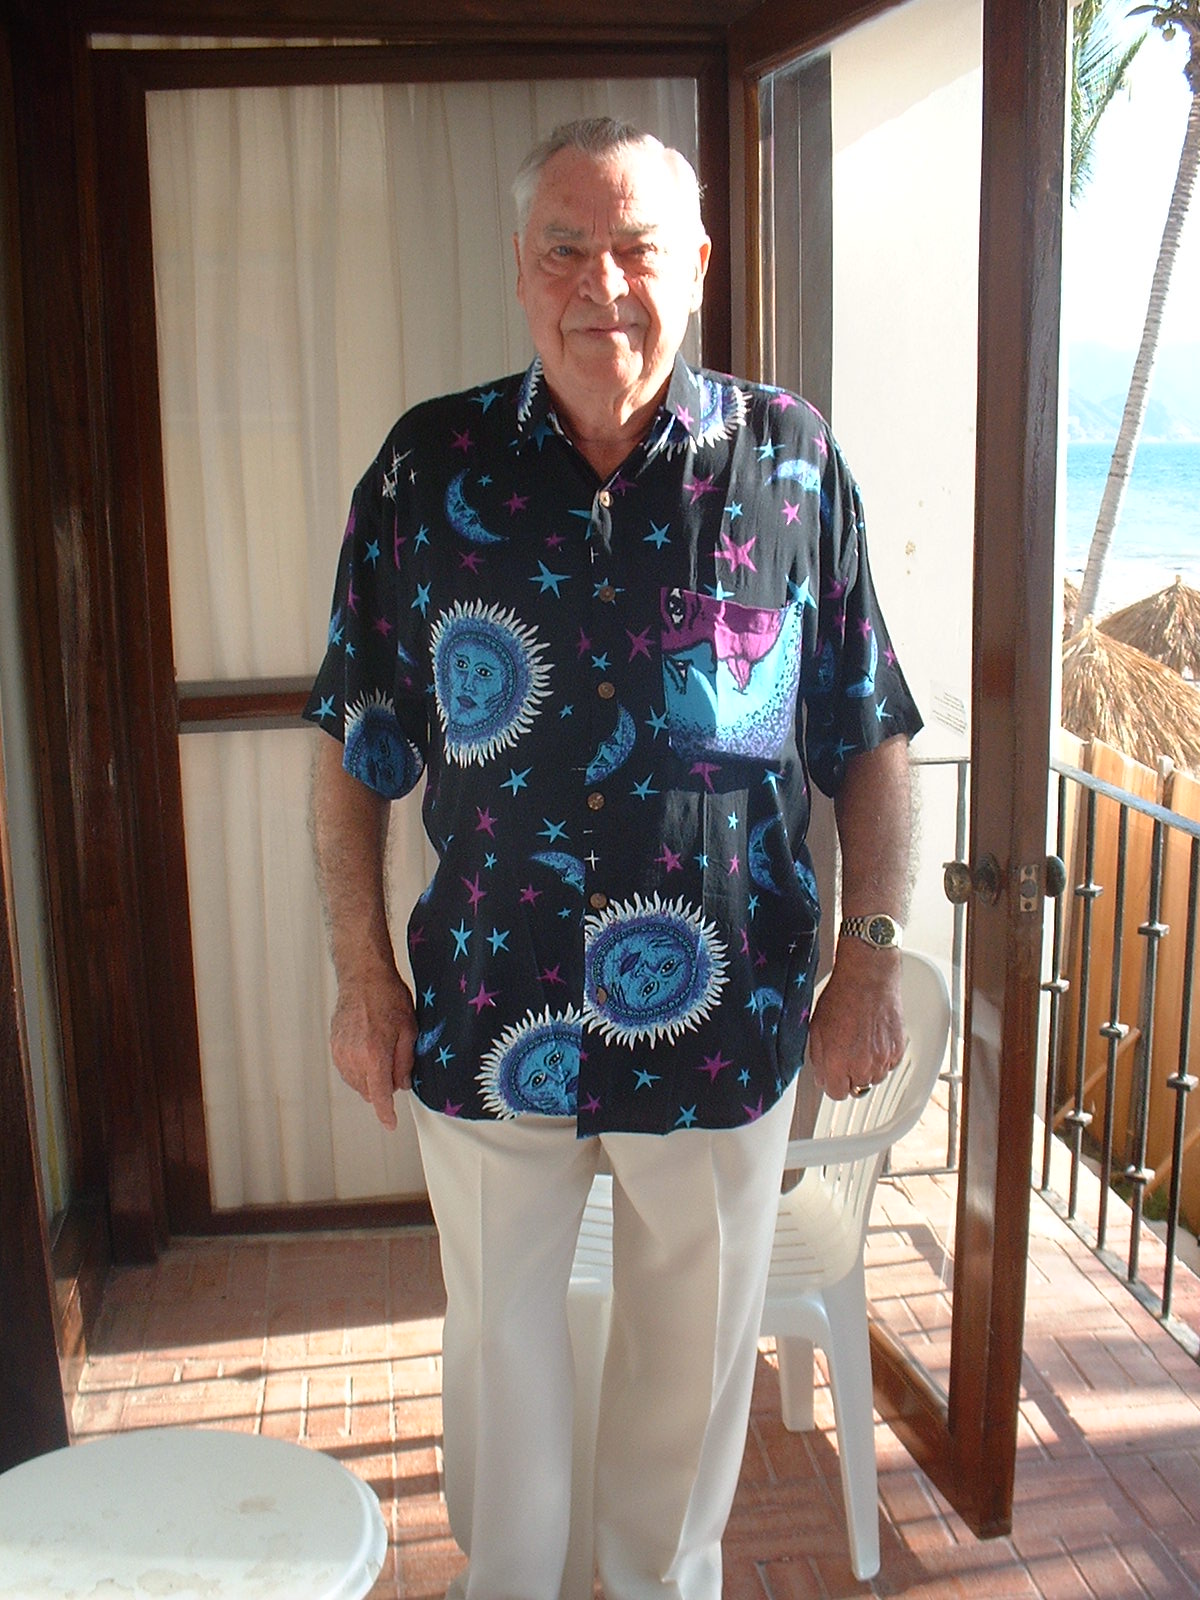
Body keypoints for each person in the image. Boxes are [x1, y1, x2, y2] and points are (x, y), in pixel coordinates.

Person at [306, 116, 921, 1600]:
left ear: (696, 264)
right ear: (522, 276)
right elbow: (353, 741)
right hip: (487, 1020)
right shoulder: (424, 470)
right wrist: (360, 976)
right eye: (566, 249)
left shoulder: (790, 463)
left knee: (685, 1389)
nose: (605, 284)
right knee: (496, 1369)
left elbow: (868, 733)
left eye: (638, 244)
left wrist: (868, 957)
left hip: (721, 1034)